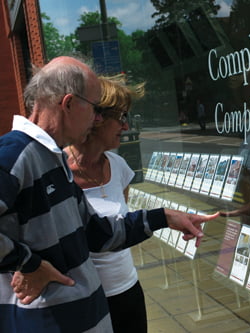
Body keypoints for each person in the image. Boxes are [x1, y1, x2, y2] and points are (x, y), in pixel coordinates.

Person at [0, 56, 219, 332]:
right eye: (94, 108)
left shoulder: (52, 159)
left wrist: (165, 217)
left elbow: (98, 233)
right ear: (68, 103)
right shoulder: (14, 155)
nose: (97, 118)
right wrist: (29, 264)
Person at [63, 75, 147, 332]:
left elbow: (121, 228)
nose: (125, 127)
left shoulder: (119, 167)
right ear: (96, 120)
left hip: (127, 290)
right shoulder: (58, 171)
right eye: (121, 118)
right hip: (83, 300)